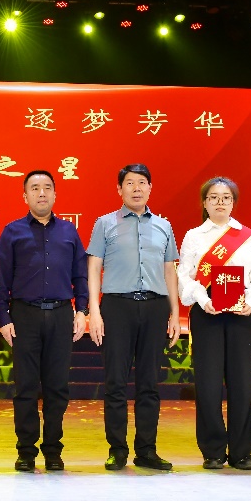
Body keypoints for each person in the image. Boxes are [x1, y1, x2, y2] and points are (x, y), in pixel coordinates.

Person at [87, 163, 182, 472]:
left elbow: (170, 271)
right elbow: (94, 268)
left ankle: (146, 450)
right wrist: (94, 311)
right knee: (115, 381)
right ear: (119, 189)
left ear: (150, 188)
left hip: (155, 308)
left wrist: (176, 314)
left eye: (142, 182)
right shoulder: (104, 223)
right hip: (117, 307)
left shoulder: (164, 226)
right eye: (130, 183)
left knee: (149, 383)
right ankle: (117, 449)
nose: (136, 188)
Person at [0, 170, 88, 472]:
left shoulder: (69, 231)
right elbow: (2, 279)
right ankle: (26, 451)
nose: (42, 193)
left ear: (55, 194)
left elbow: (80, 275)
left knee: (57, 387)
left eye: (47, 187)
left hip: (61, 314)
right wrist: (3, 317)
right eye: (35, 188)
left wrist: (81, 310)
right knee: (25, 387)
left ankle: (53, 450)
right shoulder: (12, 232)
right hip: (24, 316)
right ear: (25, 196)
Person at [179, 176, 251, 471]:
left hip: (241, 316)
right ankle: (213, 450)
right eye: (214, 197)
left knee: (241, 384)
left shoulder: (248, 236)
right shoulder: (194, 236)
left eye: (226, 197)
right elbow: (185, 277)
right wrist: (202, 299)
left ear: (233, 202)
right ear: (204, 203)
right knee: (207, 385)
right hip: (207, 315)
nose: (220, 202)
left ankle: (242, 451)